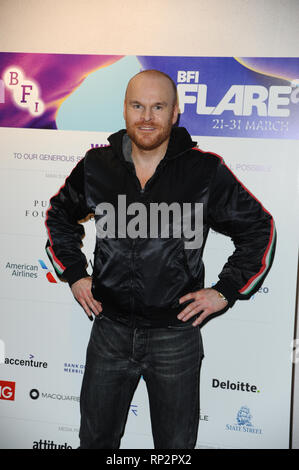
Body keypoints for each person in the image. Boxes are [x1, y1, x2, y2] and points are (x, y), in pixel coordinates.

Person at [45, 69, 276, 449]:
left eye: (158, 107)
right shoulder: (96, 166)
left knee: (174, 447)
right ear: (124, 110)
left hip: (176, 336)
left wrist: (226, 290)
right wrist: (74, 273)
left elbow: (259, 229)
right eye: (138, 106)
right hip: (109, 330)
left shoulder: (204, 171)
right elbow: (58, 216)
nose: (147, 117)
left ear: (175, 113)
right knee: (96, 441)